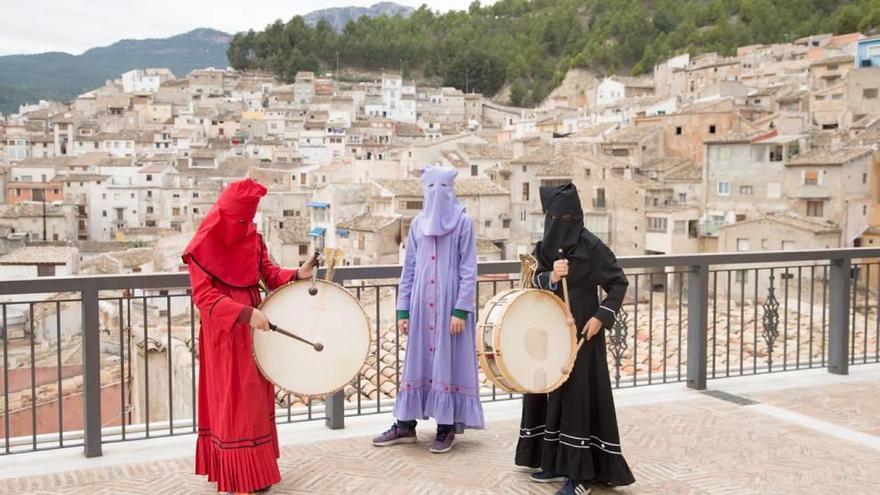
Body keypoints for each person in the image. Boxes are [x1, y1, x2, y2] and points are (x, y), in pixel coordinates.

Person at [183, 178, 314, 495]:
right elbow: (204, 298)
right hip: (226, 337)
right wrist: (244, 314)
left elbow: (268, 274)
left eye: (251, 220)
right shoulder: (201, 248)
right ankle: (237, 477)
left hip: (256, 333)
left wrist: (298, 273)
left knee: (255, 403)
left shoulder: (252, 240)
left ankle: (257, 473)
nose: (247, 225)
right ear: (226, 215)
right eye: (242, 220)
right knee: (233, 404)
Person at [515, 183, 635, 495]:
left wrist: (600, 316)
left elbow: (618, 283)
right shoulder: (544, 247)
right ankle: (554, 461)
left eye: (568, 217)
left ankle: (579, 477)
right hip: (551, 335)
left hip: (583, 333)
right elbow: (534, 282)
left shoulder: (591, 247)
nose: (561, 223)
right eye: (556, 217)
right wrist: (552, 276)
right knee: (551, 395)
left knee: (577, 402)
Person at [372, 166, 484, 453]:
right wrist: (403, 309)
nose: (438, 194)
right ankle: (405, 425)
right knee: (417, 364)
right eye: (432, 188)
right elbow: (409, 268)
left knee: (448, 365)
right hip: (422, 309)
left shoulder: (463, 223)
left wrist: (460, 309)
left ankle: (446, 428)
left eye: (444, 188)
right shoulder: (417, 225)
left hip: (450, 311)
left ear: (452, 189)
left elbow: (469, 269)